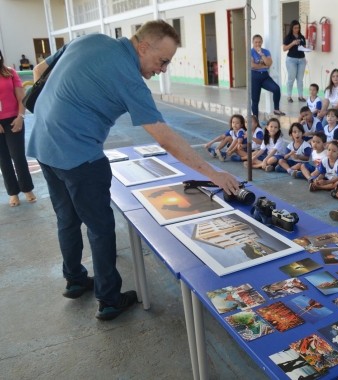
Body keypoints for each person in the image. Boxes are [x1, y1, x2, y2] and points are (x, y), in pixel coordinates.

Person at [27, 20, 240, 321]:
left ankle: (74, 280)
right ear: (143, 48)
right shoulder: (129, 77)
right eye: (162, 61)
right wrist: (212, 173)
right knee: (100, 229)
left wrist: (64, 112)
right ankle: (109, 299)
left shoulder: (90, 40)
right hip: (80, 158)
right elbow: (165, 137)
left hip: (44, 146)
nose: (163, 69)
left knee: (67, 218)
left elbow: (38, 72)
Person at [0, 49, 35, 207]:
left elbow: (21, 97)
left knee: (18, 156)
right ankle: (13, 193)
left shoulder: (10, 72)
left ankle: (27, 188)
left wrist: (20, 117)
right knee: (3, 159)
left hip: (14, 119)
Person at [251, 34, 285, 117]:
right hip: (255, 76)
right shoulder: (250, 51)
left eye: (259, 42)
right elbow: (252, 65)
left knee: (276, 89)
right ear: (252, 42)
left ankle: (276, 109)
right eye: (256, 42)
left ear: (262, 42)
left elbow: (269, 63)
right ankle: (255, 119)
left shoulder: (266, 52)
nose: (257, 44)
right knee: (255, 100)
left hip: (265, 76)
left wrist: (261, 54)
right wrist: (264, 66)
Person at [282, 20, 307, 103]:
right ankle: (289, 96)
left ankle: (300, 96)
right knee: (291, 78)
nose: (297, 29)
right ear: (292, 28)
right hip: (291, 59)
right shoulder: (288, 37)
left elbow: (304, 46)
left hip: (302, 59)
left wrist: (307, 48)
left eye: (298, 28)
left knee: (300, 79)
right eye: (295, 28)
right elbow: (284, 49)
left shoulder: (302, 37)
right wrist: (292, 43)